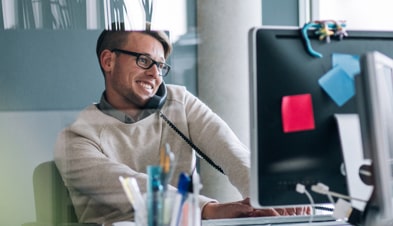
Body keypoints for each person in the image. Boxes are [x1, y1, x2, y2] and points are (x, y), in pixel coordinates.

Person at [54, 26, 308, 225]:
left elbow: (232, 152)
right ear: (108, 61)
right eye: (144, 60)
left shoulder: (179, 103)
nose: (155, 74)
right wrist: (209, 209)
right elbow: (137, 189)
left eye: (161, 65)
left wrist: (269, 195)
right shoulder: (75, 139)